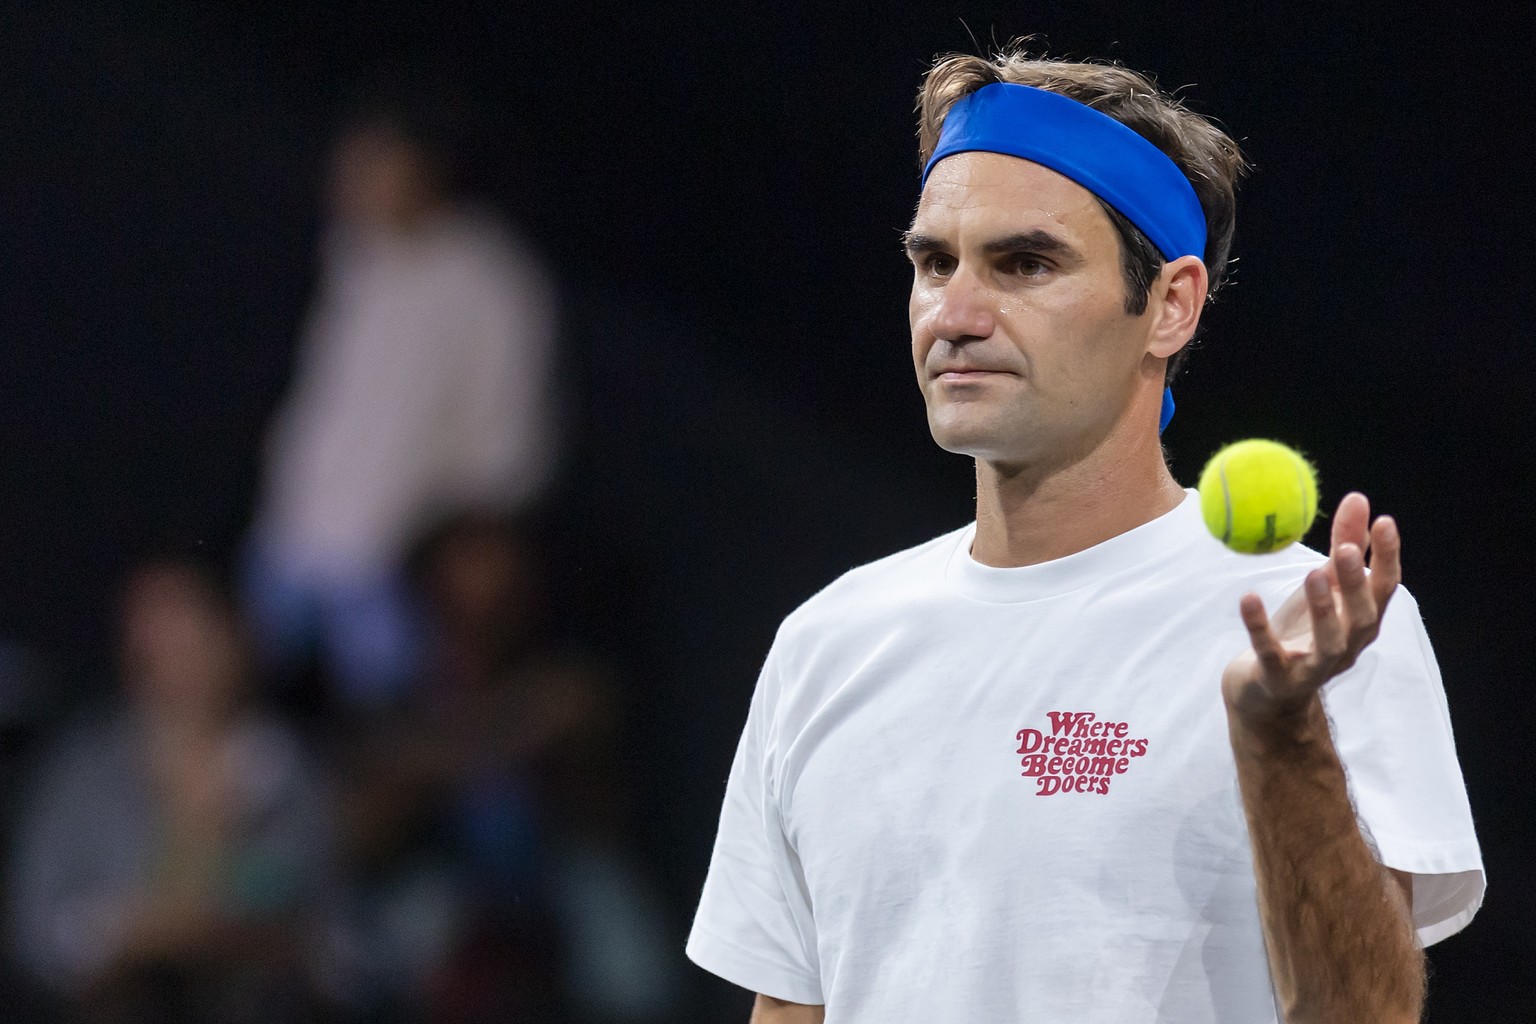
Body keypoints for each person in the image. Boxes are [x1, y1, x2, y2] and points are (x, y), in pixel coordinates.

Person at [686, 48, 1483, 1023]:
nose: (956, 313)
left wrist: (1281, 734)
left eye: (1025, 263)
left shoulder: (1316, 626)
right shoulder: (824, 643)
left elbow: (1365, 1016)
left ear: (1171, 305)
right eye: (935, 262)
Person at [243, 98, 559, 711]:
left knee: (415, 730)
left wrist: (456, 543)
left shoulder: (491, 281)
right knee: (259, 715)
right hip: (297, 538)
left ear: (424, 168)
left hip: (397, 561)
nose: (349, 181)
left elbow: (507, 444)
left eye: (371, 164)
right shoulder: (357, 259)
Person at [6, 555, 336, 1023]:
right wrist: (133, 932)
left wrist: (217, 922)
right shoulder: (84, 770)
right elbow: (38, 932)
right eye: (151, 631)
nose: (172, 651)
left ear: (232, 636)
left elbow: (324, 933)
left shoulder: (282, 769)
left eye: (187, 627)